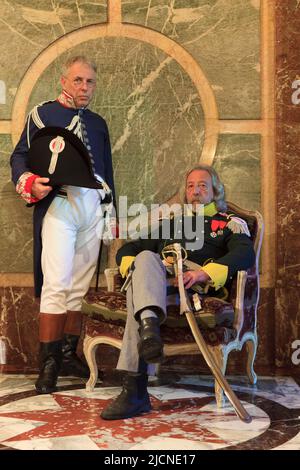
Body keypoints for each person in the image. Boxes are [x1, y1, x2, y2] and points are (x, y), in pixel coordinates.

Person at [100, 164, 255, 420]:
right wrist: (134, 270)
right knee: (146, 257)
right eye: (191, 185)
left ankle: (134, 391)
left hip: (191, 290)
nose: (195, 190)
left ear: (215, 191)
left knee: (138, 300)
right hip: (157, 283)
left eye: (203, 185)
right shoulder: (170, 224)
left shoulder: (228, 224)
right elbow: (128, 250)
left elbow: (244, 254)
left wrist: (204, 273)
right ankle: (149, 331)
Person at [10, 56, 116, 394]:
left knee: (80, 287)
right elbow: (19, 156)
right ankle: (49, 363)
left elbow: (108, 173)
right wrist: (30, 183)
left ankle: (69, 354)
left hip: (92, 206)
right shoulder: (42, 114)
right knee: (56, 283)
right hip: (59, 203)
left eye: (90, 82)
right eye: (78, 80)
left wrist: (110, 213)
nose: (84, 87)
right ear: (64, 81)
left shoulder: (99, 123)